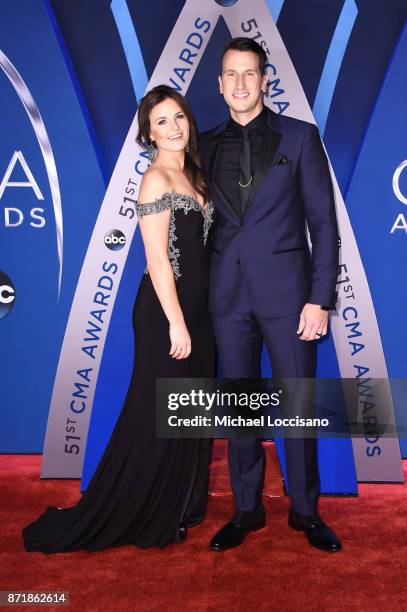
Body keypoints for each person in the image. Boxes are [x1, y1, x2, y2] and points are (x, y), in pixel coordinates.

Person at [22, 85, 215, 553]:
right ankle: (145, 507)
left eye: (178, 118)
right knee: (157, 411)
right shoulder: (155, 179)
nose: (173, 128)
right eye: (161, 122)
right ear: (148, 134)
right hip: (165, 313)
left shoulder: (192, 172)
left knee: (190, 412)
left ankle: (181, 500)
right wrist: (176, 322)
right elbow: (156, 260)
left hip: (199, 311)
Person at [198, 38, 341, 553]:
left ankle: (305, 511)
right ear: (219, 84)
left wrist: (319, 298)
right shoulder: (205, 144)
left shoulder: (300, 138)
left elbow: (323, 224)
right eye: (230, 75)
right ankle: (246, 508)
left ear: (264, 80)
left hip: (290, 298)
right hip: (227, 299)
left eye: (249, 74)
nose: (239, 84)